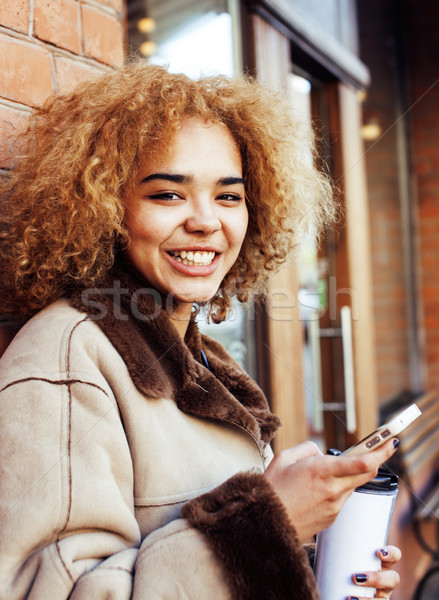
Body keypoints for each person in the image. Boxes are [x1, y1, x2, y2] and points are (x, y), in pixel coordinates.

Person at [0, 62, 401, 599]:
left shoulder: (206, 361)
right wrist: (268, 521)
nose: (206, 221)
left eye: (229, 196)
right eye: (168, 194)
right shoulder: (69, 359)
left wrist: (309, 559)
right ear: (105, 210)